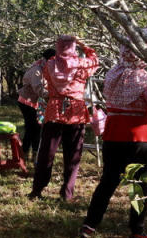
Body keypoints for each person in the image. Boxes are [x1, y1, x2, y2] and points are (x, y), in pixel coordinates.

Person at [80, 31, 147, 238]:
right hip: (138, 136)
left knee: (108, 181)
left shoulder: (113, 74)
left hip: (112, 132)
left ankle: (89, 225)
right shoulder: (146, 80)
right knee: (140, 183)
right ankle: (137, 230)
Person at [28, 35, 99, 202]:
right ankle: (67, 193)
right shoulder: (83, 65)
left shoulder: (50, 64)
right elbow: (95, 60)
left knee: (46, 153)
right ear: (73, 47)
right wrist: (84, 45)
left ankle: (37, 189)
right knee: (72, 155)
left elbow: (45, 76)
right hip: (76, 112)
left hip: (54, 111)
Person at [17, 48, 56, 164]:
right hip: (26, 102)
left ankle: (33, 154)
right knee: (31, 128)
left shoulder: (44, 68)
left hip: (34, 102)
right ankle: (24, 155)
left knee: (36, 128)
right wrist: (52, 95)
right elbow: (38, 88)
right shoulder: (37, 70)